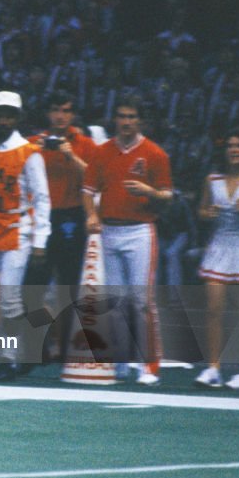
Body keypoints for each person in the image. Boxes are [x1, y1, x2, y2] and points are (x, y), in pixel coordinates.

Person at [83, 95, 173, 385]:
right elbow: (87, 190)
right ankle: (121, 361)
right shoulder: (102, 151)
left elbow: (168, 196)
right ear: (115, 119)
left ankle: (151, 365)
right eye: (122, 116)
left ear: (140, 121)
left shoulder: (155, 153)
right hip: (109, 230)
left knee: (142, 301)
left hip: (140, 231)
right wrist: (91, 215)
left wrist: (149, 191)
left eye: (132, 117)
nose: (126, 121)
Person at [0, 91, 50, 380]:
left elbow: (41, 198)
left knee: (10, 299)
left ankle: (8, 356)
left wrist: (40, 241)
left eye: (8, 115)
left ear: (17, 118)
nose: (3, 120)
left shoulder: (29, 152)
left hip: (16, 233)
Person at [25, 91, 97, 359]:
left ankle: (65, 346)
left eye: (66, 110)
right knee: (31, 290)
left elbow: (95, 179)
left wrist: (70, 156)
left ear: (73, 114)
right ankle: (42, 341)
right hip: (39, 220)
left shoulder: (85, 144)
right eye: (56, 109)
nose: (60, 115)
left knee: (68, 289)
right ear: (48, 113)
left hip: (71, 219)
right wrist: (36, 150)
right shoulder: (33, 143)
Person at [194, 128, 239, 390]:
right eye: (230, 145)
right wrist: (209, 213)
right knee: (213, 310)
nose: (234, 149)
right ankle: (213, 369)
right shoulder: (212, 179)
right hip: (218, 247)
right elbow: (202, 212)